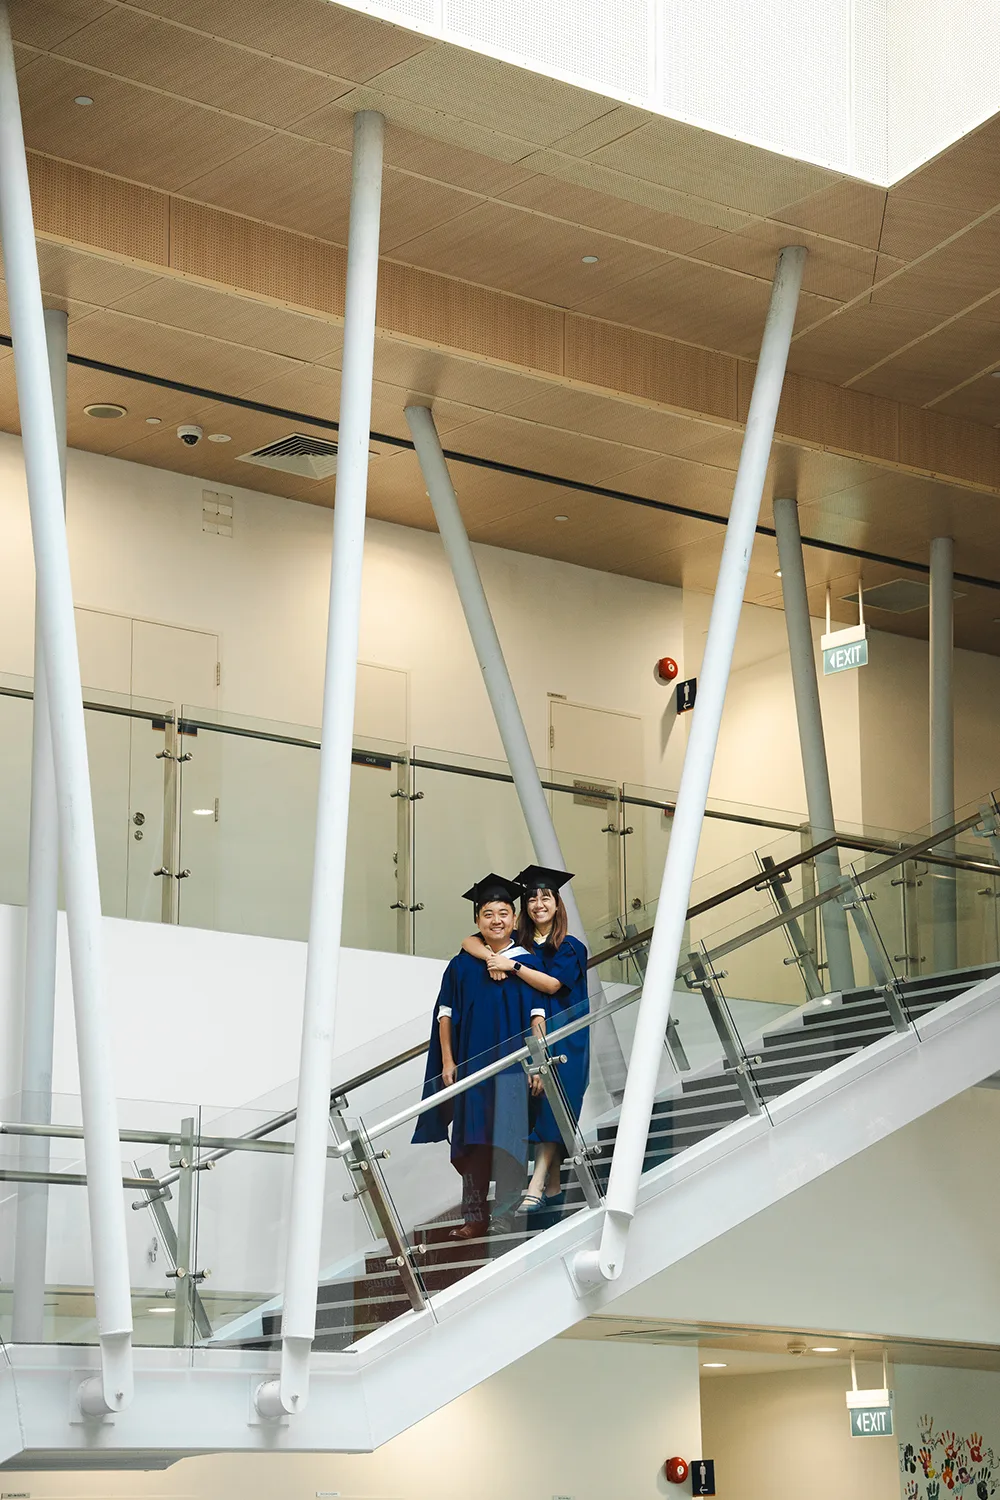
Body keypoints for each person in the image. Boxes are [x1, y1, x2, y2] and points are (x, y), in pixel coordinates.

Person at [411, 874, 561, 1240]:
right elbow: (445, 1015)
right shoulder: (461, 966)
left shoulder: (526, 963)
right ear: (478, 921)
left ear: (514, 919)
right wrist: (448, 1062)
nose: (496, 920)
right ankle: (475, 1217)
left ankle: (503, 1216)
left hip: (512, 1069)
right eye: (488, 914)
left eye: (504, 913)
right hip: (470, 1068)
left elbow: (537, 1018)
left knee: (509, 1143)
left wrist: (537, 1064)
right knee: (473, 1141)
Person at [461, 864, 589, 1212]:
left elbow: (551, 985)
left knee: (554, 1105)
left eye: (545, 897)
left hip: (566, 1036)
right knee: (534, 1108)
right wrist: (493, 956)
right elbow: (469, 940)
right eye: (531, 898)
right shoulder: (520, 945)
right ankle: (553, 1188)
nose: (537, 903)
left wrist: (510, 966)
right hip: (531, 1033)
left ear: (557, 904)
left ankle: (535, 1184)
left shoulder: (571, 947)